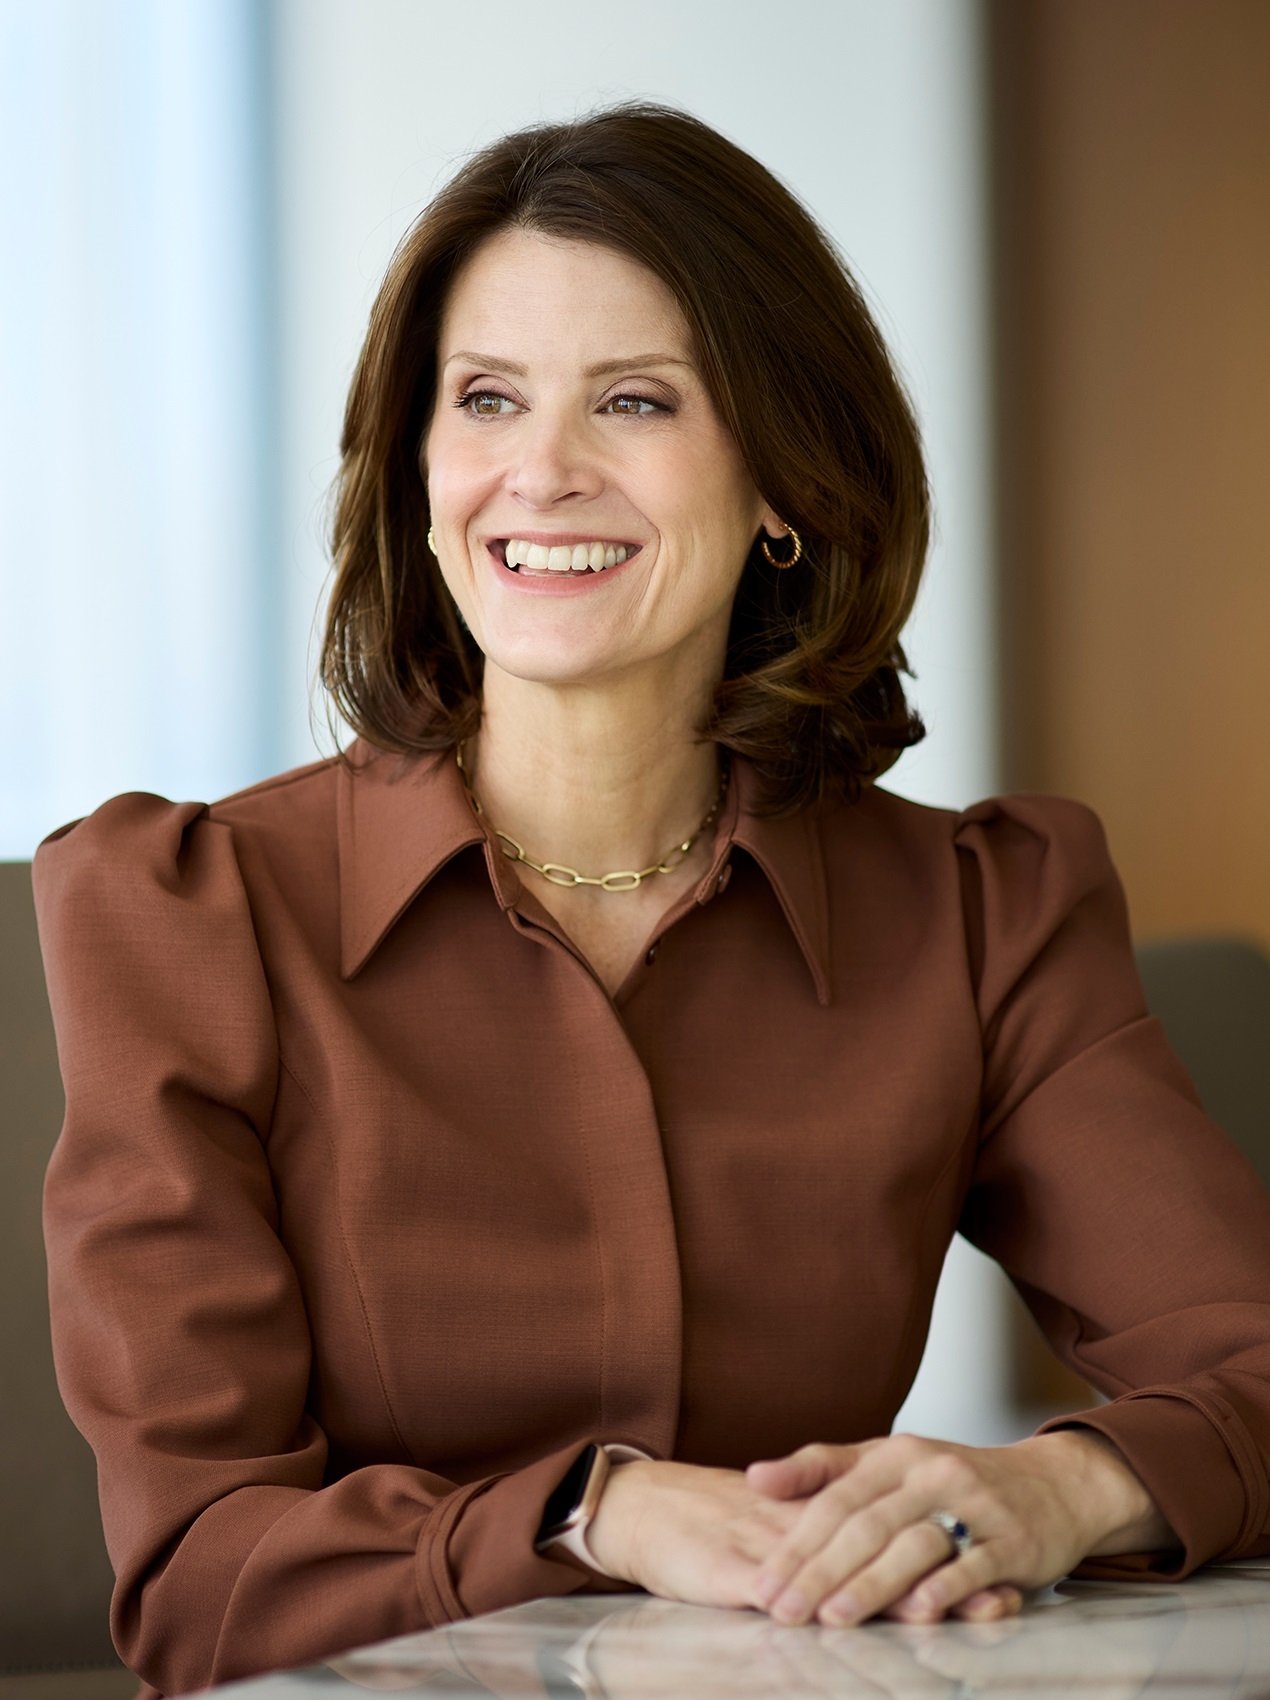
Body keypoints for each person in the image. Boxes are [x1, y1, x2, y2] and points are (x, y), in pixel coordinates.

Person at [33, 99, 1270, 1700]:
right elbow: (198, 1582)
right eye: (485, 399)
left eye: (633, 400)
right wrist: (590, 1515)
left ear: (782, 483)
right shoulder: (183, 915)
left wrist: (1053, 1485)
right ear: (420, 467)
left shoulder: (978, 914)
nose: (539, 472)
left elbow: (1245, 1364)